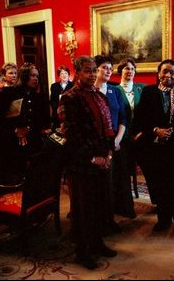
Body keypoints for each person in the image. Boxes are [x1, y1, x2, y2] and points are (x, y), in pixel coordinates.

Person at [58, 55, 117, 270]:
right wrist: (93, 158)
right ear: (77, 72)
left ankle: (97, 243)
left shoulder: (98, 95)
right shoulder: (69, 97)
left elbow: (106, 126)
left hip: (101, 159)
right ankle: (83, 252)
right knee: (83, 210)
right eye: (87, 70)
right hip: (82, 163)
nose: (92, 74)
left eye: (94, 70)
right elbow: (71, 135)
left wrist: (108, 153)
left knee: (99, 206)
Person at [133, 59, 174, 237]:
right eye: (165, 71)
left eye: (172, 72)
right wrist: (155, 130)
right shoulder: (148, 92)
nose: (168, 75)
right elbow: (140, 119)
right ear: (158, 73)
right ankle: (164, 220)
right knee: (160, 186)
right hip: (155, 148)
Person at [94, 55, 127, 233]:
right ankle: (97, 219)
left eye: (110, 68)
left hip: (114, 142)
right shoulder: (89, 91)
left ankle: (109, 219)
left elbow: (123, 118)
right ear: (95, 70)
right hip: (96, 144)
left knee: (111, 183)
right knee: (98, 184)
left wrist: (117, 139)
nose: (108, 71)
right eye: (104, 68)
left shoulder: (115, 91)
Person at [114, 57, 146, 218]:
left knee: (151, 168)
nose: (130, 71)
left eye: (132, 69)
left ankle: (160, 203)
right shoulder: (114, 90)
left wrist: (142, 132)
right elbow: (117, 117)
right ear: (121, 71)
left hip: (142, 137)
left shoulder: (142, 88)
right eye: (126, 68)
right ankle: (127, 207)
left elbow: (148, 113)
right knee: (123, 172)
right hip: (124, 139)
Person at [49, 65, 73, 131]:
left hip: (69, 115)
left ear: (68, 75)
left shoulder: (73, 86)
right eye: (62, 73)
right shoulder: (54, 86)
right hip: (56, 114)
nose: (64, 75)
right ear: (59, 75)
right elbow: (52, 100)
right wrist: (57, 109)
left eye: (66, 73)